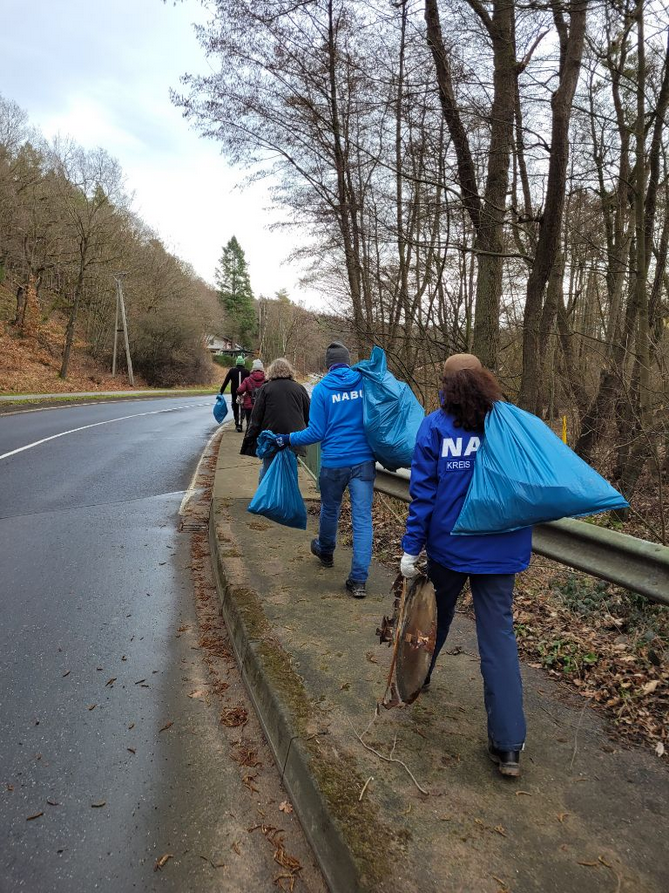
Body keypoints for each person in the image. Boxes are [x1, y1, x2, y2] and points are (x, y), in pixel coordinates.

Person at [400, 353, 532, 778]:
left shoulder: (435, 426)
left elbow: (423, 497)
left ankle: (419, 678)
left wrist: (410, 548)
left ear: (446, 383)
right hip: (501, 549)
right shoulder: (508, 423)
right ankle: (508, 746)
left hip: (451, 547)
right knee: (498, 639)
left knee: (434, 619)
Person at [276, 341, 375, 599]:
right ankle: (358, 580)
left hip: (333, 461)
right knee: (362, 519)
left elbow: (316, 432)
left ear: (328, 365)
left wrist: (288, 439)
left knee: (331, 508)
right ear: (348, 360)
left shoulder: (322, 390)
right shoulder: (364, 383)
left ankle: (326, 551)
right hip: (363, 460)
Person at [241, 357, 310, 480]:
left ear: (271, 371)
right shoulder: (300, 389)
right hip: (293, 438)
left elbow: (256, 417)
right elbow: (308, 415)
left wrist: (250, 438)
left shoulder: (265, 389)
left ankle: (266, 497)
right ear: (289, 371)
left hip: (271, 437)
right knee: (290, 472)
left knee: (267, 471)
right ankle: (289, 497)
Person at [220, 355, 249, 432]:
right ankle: (240, 422)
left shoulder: (232, 371)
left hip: (234, 393)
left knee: (235, 407)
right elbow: (250, 382)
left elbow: (226, 382)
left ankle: (237, 423)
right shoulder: (246, 371)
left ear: (236, 363)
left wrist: (221, 392)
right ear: (243, 363)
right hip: (244, 393)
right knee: (243, 407)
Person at [236, 359, 266, 433]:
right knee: (261, 424)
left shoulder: (247, 379)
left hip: (249, 405)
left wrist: (240, 393)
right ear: (262, 369)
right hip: (262, 406)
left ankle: (249, 439)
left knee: (249, 424)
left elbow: (240, 390)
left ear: (253, 369)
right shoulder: (266, 380)